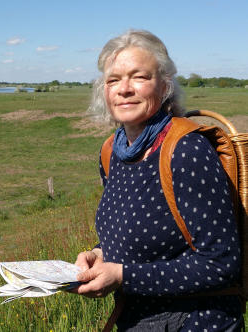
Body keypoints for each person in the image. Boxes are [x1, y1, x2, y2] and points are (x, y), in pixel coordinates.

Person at [71, 30, 243, 331]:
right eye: (113, 80)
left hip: (196, 320)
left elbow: (222, 263)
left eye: (139, 77)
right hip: (136, 318)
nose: (124, 89)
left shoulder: (186, 150)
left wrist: (122, 276)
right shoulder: (113, 151)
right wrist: (98, 255)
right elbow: (136, 235)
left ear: (164, 86)